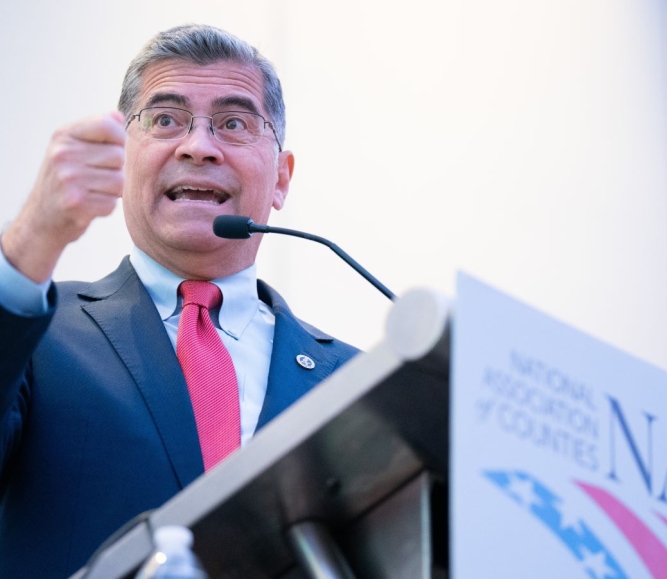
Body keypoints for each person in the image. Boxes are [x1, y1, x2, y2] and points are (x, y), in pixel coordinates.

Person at [0, 24, 359, 579]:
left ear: (282, 179)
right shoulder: (37, 336)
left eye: (233, 123)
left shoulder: (355, 382)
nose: (197, 146)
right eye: (165, 119)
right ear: (122, 158)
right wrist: (32, 238)